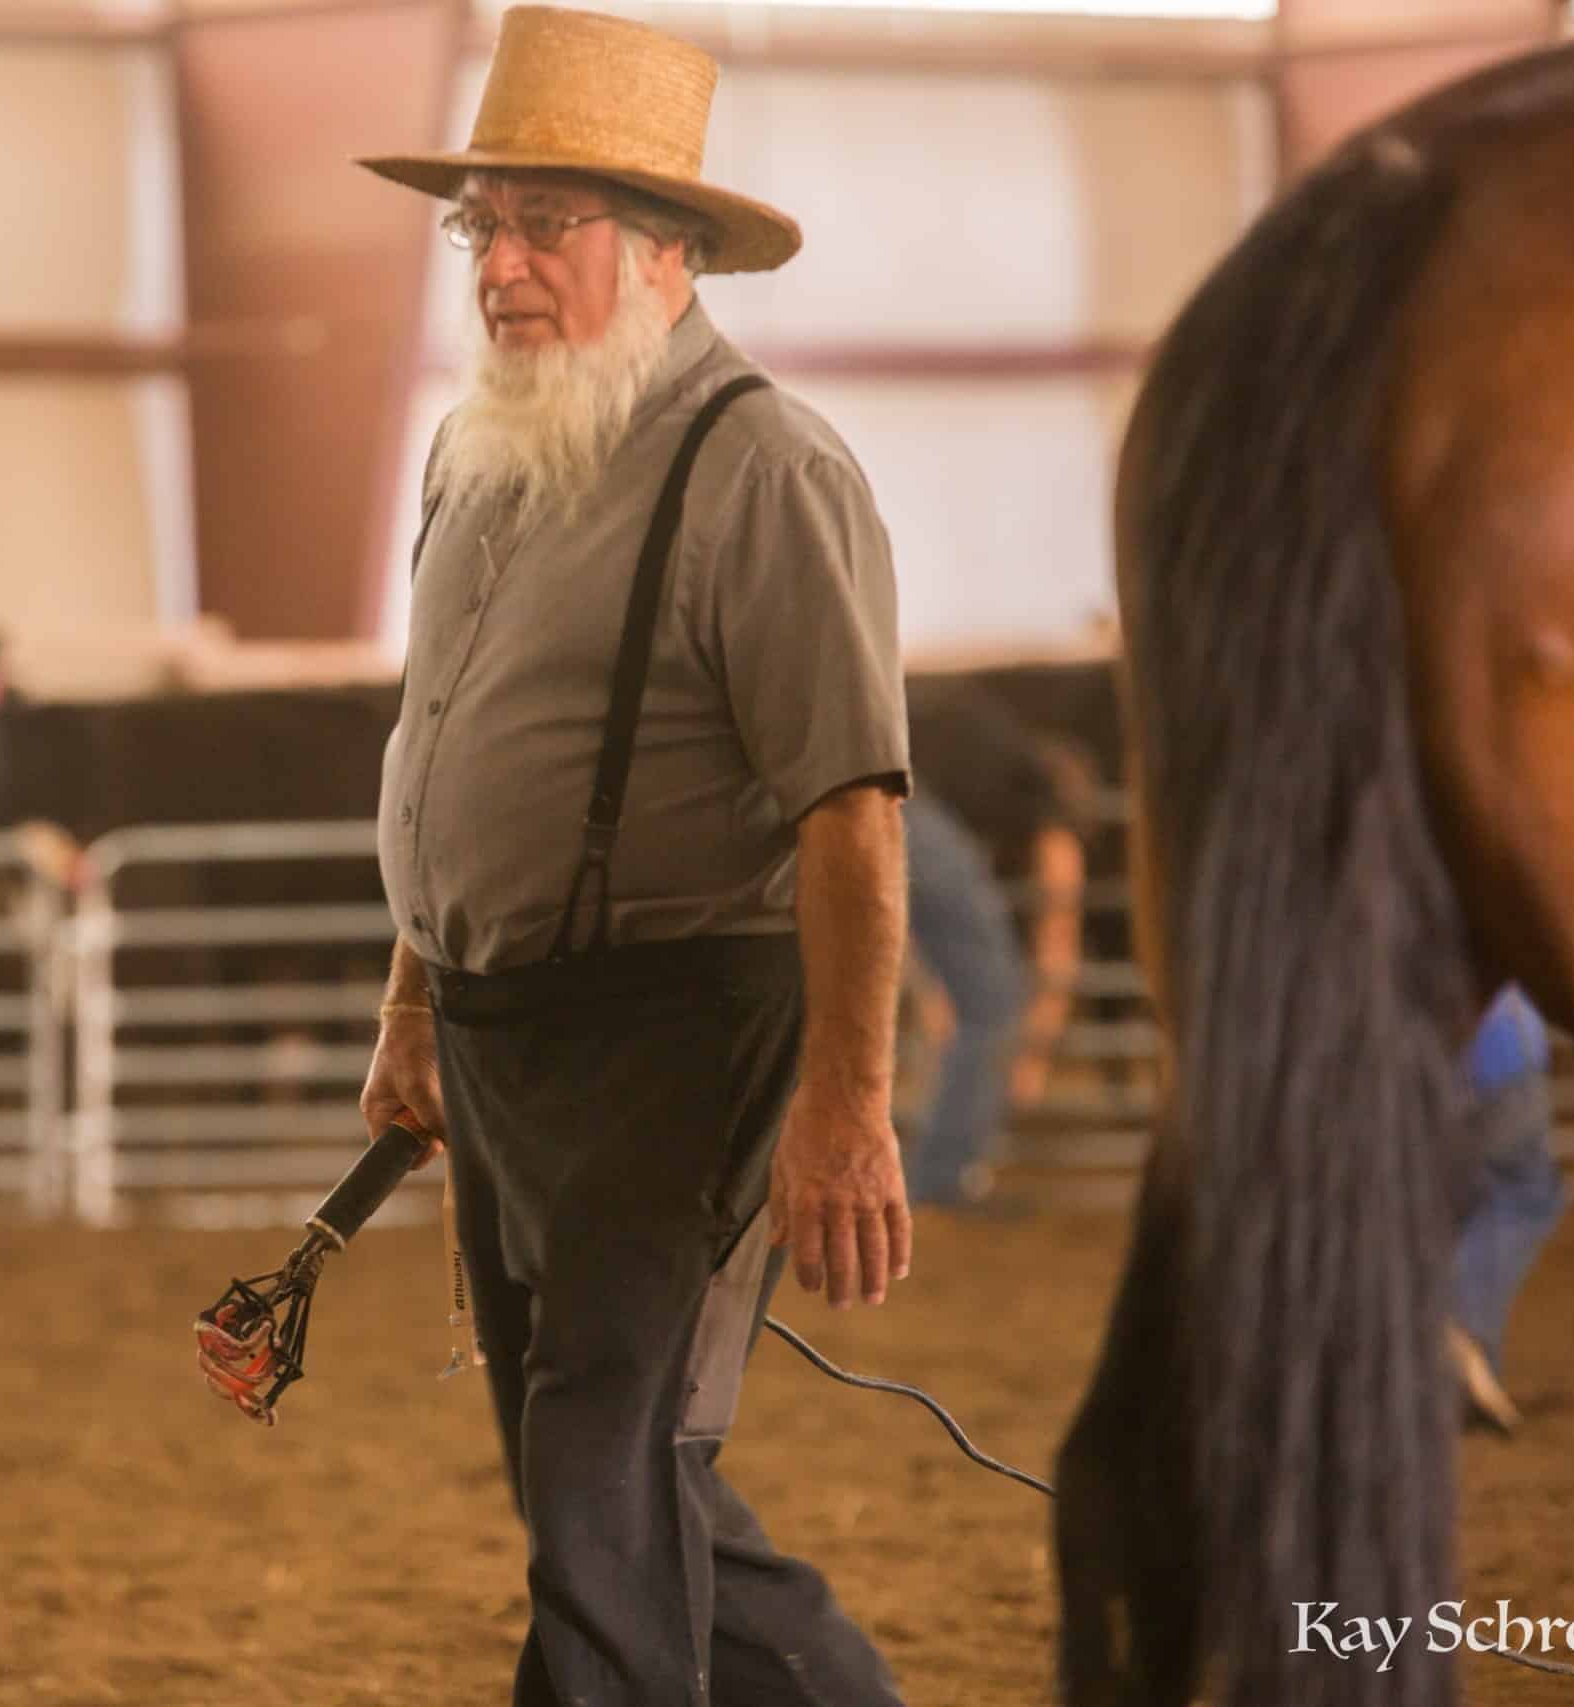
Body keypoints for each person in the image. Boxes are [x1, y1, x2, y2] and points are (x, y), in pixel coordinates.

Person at [350, 9, 913, 1703]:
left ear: (667, 251)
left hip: (682, 1030)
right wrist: (415, 998)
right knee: (595, 1469)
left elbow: (852, 812)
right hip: (507, 1030)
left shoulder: (767, 467)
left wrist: (847, 1096)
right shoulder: (476, 454)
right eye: (480, 226)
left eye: (544, 225)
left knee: (599, 1461)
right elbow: (441, 748)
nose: (500, 267)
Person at [897, 676, 1101, 1209]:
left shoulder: (987, 745)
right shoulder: (1044, 794)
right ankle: (945, 1176)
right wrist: (1031, 1056)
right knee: (992, 1002)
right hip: (906, 799)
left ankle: (935, 1165)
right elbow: (1060, 930)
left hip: (861, 786)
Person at [1448, 982, 1567, 1434]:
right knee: (1529, 1191)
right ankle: (1461, 1327)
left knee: (1458, 1212)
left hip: (1424, 1078)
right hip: (1503, 1071)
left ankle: (1469, 1369)